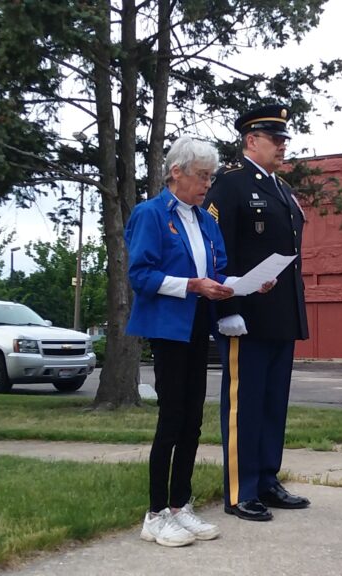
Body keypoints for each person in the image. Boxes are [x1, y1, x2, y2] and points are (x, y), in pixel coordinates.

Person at [203, 103, 310, 522]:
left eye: (285, 138)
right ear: (252, 140)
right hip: (244, 315)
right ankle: (240, 488)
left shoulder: (281, 190)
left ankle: (267, 478)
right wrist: (228, 307)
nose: (283, 145)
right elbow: (218, 247)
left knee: (271, 403)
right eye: (276, 138)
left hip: (280, 314)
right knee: (243, 405)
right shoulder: (230, 185)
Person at [125, 136, 233, 547]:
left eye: (211, 176)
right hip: (168, 328)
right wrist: (192, 285)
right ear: (177, 172)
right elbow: (141, 276)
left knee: (192, 420)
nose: (208, 184)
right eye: (202, 176)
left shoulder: (206, 220)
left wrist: (241, 286)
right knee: (171, 419)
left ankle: (179, 505)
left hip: (197, 327)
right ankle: (154, 514)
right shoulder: (150, 214)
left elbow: (218, 269)